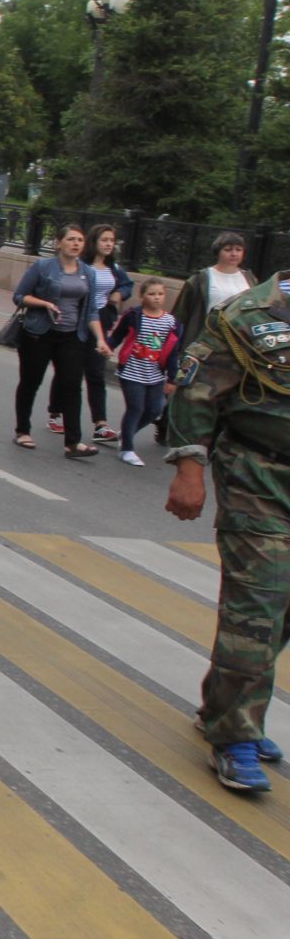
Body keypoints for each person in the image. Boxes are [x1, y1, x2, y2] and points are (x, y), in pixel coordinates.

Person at [164, 270, 290, 792]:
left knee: (283, 606)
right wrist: (189, 469)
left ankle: (224, 704)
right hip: (257, 475)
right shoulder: (247, 317)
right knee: (258, 602)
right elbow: (195, 391)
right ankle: (234, 736)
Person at [11, 223, 107, 457]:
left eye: (80, 240)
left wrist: (101, 340)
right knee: (31, 382)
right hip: (39, 333)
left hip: (72, 336)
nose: (76, 244)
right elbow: (19, 296)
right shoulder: (43, 267)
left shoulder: (88, 273)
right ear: (58, 243)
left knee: (72, 386)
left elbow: (92, 310)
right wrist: (45, 304)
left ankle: (73, 442)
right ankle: (22, 430)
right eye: (71, 239)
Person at [53, 223, 134, 442]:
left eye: (111, 240)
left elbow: (128, 285)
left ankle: (101, 424)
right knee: (70, 371)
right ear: (94, 242)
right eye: (104, 240)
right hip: (78, 322)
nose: (109, 244)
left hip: (101, 322)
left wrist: (120, 294)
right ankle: (55, 411)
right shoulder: (81, 265)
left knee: (96, 372)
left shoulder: (114, 267)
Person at [107, 277, 180, 468]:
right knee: (136, 408)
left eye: (160, 294)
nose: (157, 298)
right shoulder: (133, 315)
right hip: (132, 371)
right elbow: (117, 337)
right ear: (142, 296)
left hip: (155, 374)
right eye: (152, 294)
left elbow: (173, 352)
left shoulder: (171, 322)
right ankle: (127, 450)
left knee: (156, 408)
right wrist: (106, 348)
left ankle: (126, 434)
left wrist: (173, 378)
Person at [170, 231, 257, 354]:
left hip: (238, 342)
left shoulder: (250, 279)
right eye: (228, 250)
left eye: (238, 250)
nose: (234, 254)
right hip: (205, 340)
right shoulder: (201, 278)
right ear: (218, 252)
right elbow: (180, 314)